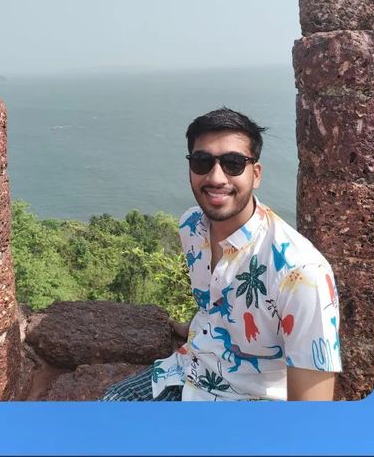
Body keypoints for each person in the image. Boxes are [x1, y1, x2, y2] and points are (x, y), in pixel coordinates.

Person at [104, 107, 341, 402]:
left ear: (256, 174)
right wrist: (197, 324)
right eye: (202, 162)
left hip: (248, 401)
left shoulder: (301, 272)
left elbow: (312, 412)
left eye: (233, 163)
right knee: (108, 409)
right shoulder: (192, 226)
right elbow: (218, 298)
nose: (216, 177)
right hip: (185, 371)